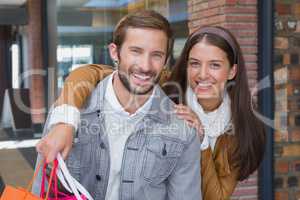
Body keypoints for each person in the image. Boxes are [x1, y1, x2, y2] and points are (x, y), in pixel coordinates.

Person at [38, 24, 266, 200]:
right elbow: (91, 73)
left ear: (232, 70)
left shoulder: (243, 127)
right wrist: (65, 120)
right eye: (195, 63)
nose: (202, 74)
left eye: (215, 65)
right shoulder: (166, 88)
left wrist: (202, 141)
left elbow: (214, 196)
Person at [33, 10, 202, 200]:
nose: (145, 66)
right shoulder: (66, 116)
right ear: (115, 52)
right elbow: (41, 189)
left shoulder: (183, 130)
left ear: (165, 60)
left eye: (156, 55)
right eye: (136, 51)